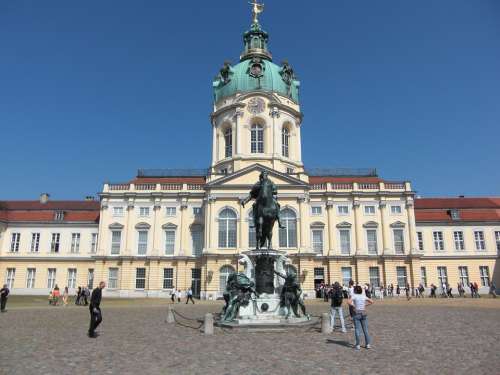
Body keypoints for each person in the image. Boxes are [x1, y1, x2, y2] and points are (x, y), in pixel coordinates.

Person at [348, 285, 373, 350]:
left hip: (357, 313)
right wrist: (365, 305)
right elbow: (372, 301)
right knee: (365, 330)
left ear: (355, 290)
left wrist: (354, 306)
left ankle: (358, 345)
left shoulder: (354, 296)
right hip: (363, 313)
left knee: (357, 329)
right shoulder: (363, 296)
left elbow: (348, 302)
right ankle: (368, 344)